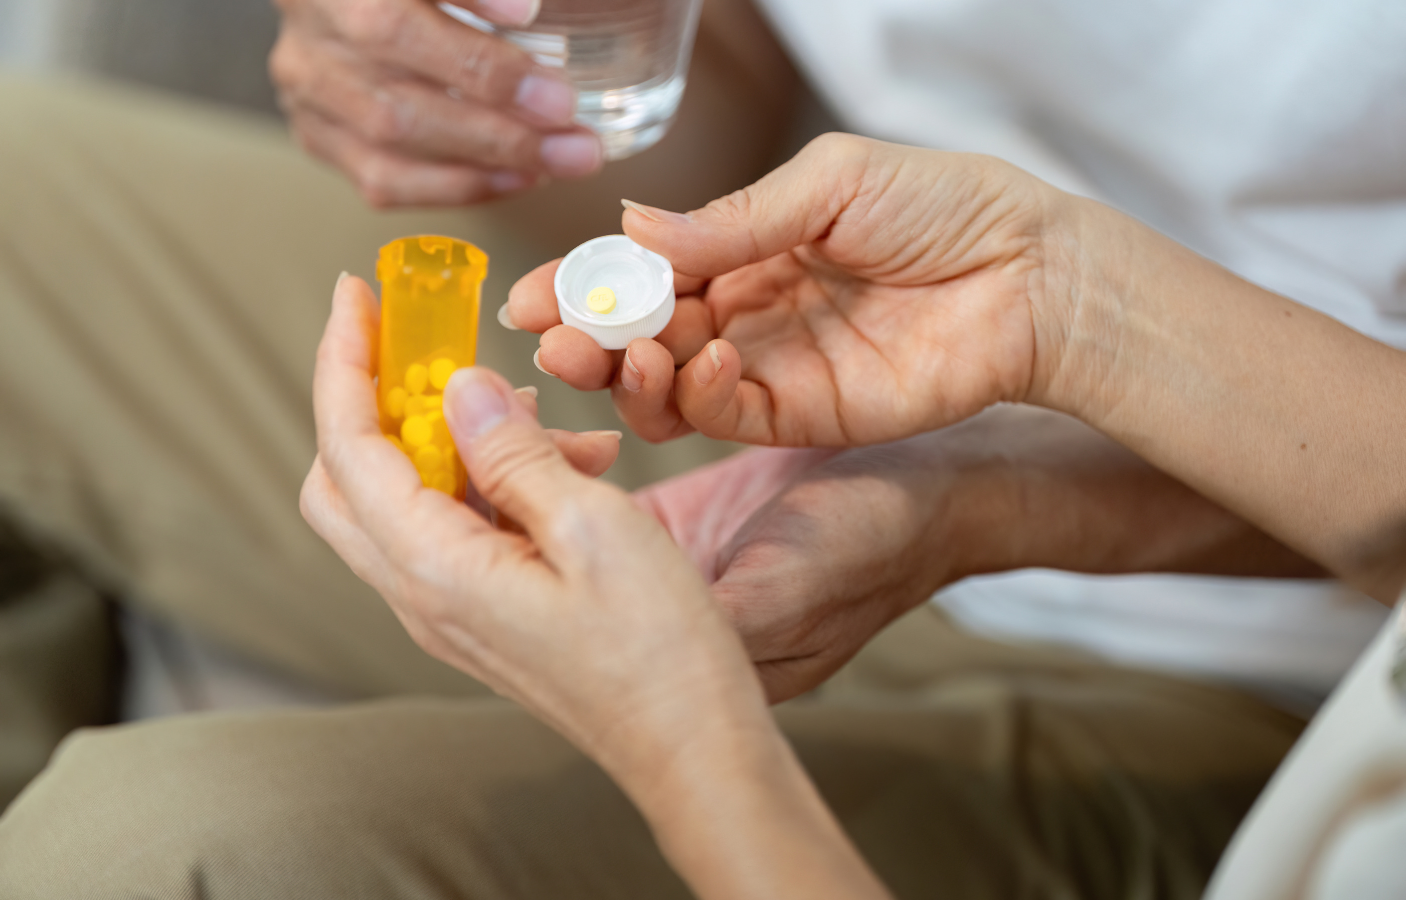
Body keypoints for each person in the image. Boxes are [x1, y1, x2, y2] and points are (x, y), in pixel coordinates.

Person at [4, 131, 1403, 897]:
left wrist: (682, 745)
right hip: (879, 378)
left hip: (1292, 701)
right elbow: (703, 119)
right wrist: (994, 461)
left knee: (136, 857)